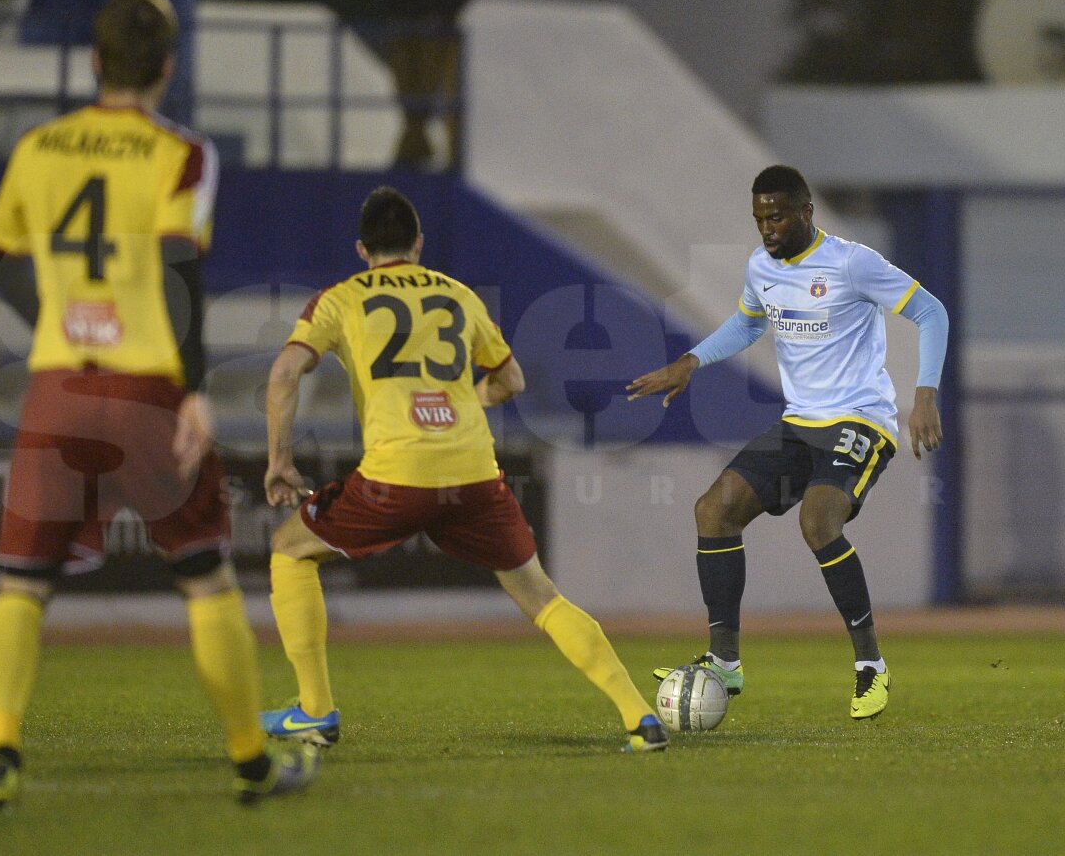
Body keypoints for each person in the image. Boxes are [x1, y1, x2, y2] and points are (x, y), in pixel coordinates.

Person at [0, 0, 317, 807]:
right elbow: (179, 268)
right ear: (169, 66)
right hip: (146, 393)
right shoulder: (184, 154)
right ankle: (249, 764)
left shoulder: (38, 146)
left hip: (57, 385)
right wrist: (194, 389)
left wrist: (59, 326)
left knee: (23, 585)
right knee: (205, 581)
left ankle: (1, 752)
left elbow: (1, 262)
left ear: (94, 61)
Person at [261, 185, 667, 753]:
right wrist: (457, 404)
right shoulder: (459, 296)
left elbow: (283, 374)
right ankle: (640, 718)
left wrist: (279, 459)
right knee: (540, 594)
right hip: (475, 472)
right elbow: (511, 381)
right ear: (419, 243)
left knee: (289, 548)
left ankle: (315, 711)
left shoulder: (340, 298)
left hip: (395, 474)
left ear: (362, 249)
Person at [627, 165, 948, 720]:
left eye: (776, 216)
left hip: (861, 421)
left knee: (818, 521)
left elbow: (931, 311)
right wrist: (690, 360)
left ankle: (870, 665)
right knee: (714, 509)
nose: (767, 229)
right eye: (759, 219)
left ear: (806, 212)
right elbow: (750, 324)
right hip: (800, 424)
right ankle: (725, 661)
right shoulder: (762, 267)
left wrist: (925, 394)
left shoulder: (851, 262)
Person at [379, 0, 472, 169]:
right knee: (409, 94)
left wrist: (442, 14)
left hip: (437, 32)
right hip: (407, 28)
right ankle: (414, 146)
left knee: (437, 92)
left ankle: (428, 149)